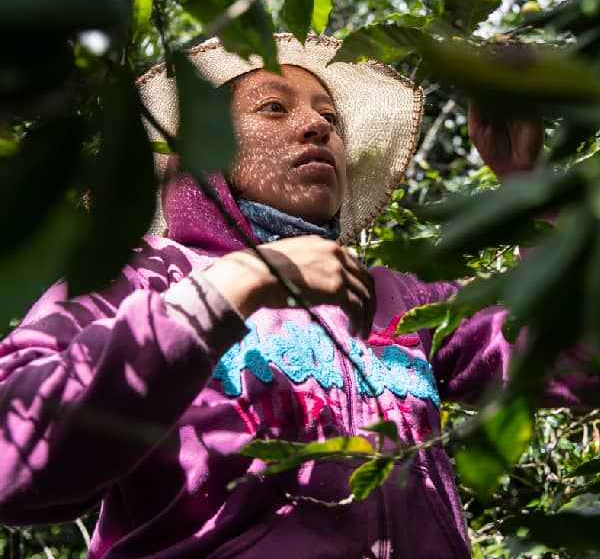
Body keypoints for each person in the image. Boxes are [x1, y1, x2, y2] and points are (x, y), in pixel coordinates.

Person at [0, 34, 592, 558]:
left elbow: (578, 357)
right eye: (273, 108)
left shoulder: (399, 298)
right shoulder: (139, 278)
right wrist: (229, 290)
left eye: (330, 117)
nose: (318, 127)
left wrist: (529, 188)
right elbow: (13, 456)